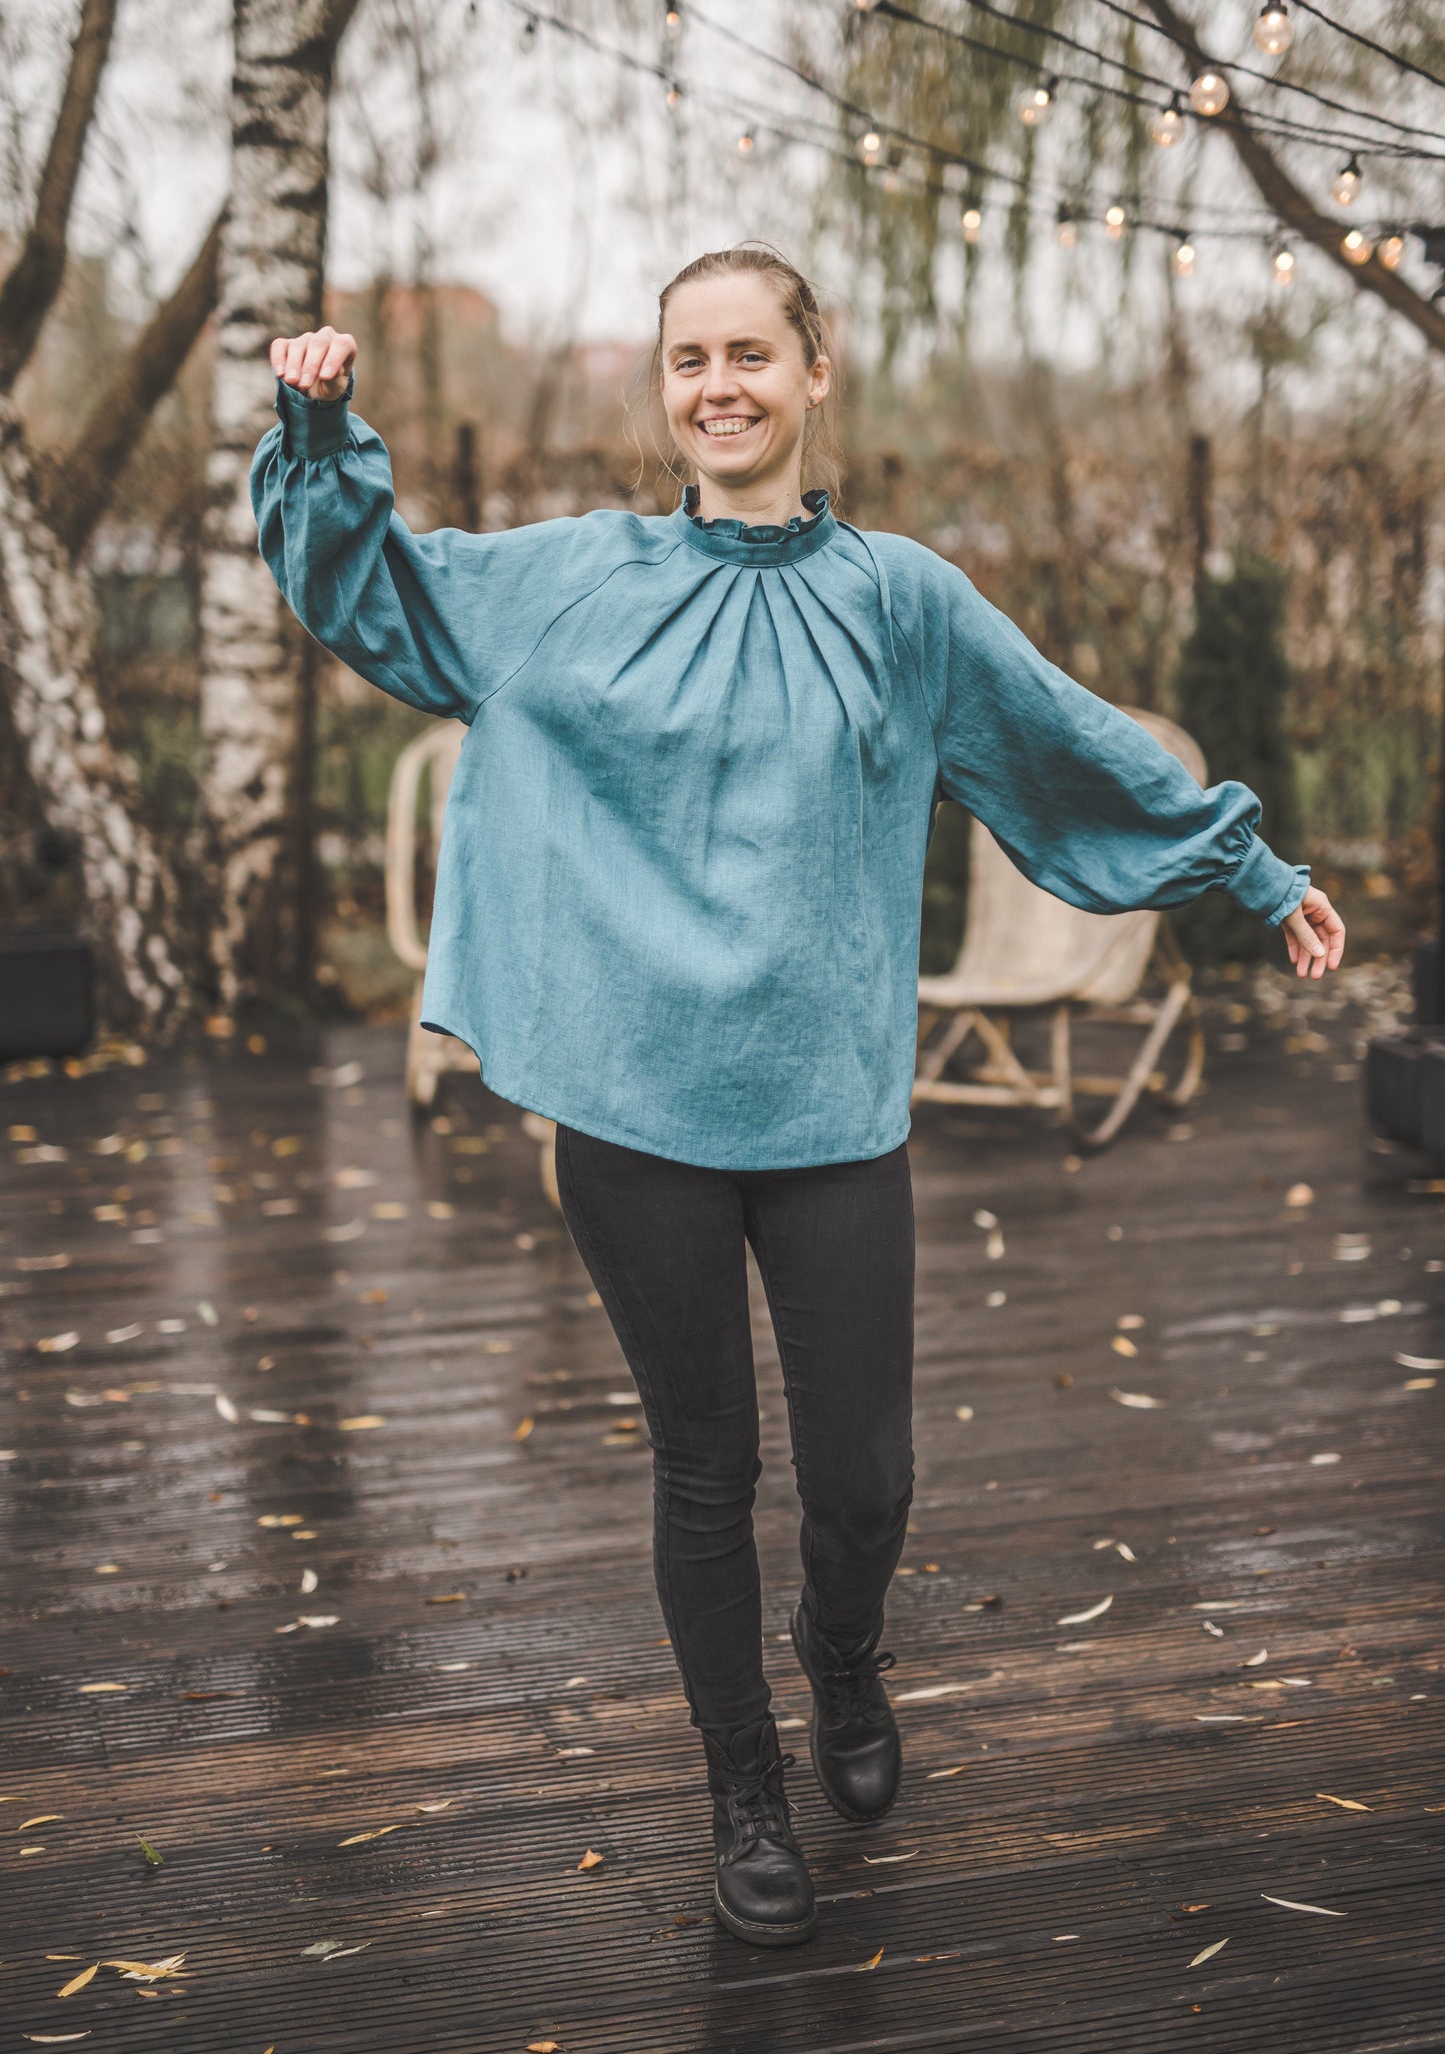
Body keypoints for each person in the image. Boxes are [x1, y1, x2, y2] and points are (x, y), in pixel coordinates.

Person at [253, 242, 1345, 1951]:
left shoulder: (903, 599)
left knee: (865, 1484)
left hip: (831, 1114)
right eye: (689, 360)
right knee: (705, 1471)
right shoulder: (569, 581)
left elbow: (1064, 739)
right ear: (664, 390)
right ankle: (741, 1786)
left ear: (813, 372)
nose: (719, 387)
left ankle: (844, 1655)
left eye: (750, 354)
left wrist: (1251, 868)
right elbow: (372, 592)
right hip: (631, 1117)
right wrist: (319, 435)